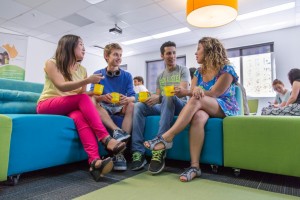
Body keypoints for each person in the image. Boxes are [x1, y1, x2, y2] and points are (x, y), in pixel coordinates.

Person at [144, 37, 239, 182]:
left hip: (223, 106)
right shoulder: (199, 72)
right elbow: (194, 90)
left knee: (196, 99)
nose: (196, 53)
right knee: (198, 117)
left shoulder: (227, 69)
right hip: (203, 106)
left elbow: (214, 93)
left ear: (209, 51)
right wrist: (192, 92)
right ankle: (195, 167)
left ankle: (166, 137)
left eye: (199, 49)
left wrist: (189, 92)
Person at [36, 34, 126, 182]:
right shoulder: (52, 63)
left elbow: (81, 94)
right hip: (48, 104)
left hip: (69, 106)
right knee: (83, 100)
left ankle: (95, 162)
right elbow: (61, 86)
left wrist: (101, 97)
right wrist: (87, 80)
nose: (84, 49)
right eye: (81, 45)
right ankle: (105, 138)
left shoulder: (82, 70)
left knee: (80, 117)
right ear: (69, 46)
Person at [131, 41, 190, 172]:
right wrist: (150, 99)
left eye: (174, 53)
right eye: (168, 53)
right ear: (162, 55)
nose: (172, 56)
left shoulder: (183, 70)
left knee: (169, 96)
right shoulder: (160, 76)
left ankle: (160, 146)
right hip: (165, 104)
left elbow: (182, 92)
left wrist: (160, 97)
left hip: (181, 106)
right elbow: (157, 98)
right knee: (139, 106)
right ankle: (138, 152)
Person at [90, 43, 135, 171]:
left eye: (120, 55)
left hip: (119, 106)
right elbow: (93, 96)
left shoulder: (127, 76)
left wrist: (127, 99)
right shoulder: (98, 74)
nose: (119, 58)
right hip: (103, 105)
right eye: (115, 54)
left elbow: (133, 96)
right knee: (93, 102)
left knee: (131, 104)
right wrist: (103, 97)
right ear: (106, 56)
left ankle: (119, 154)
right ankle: (116, 130)